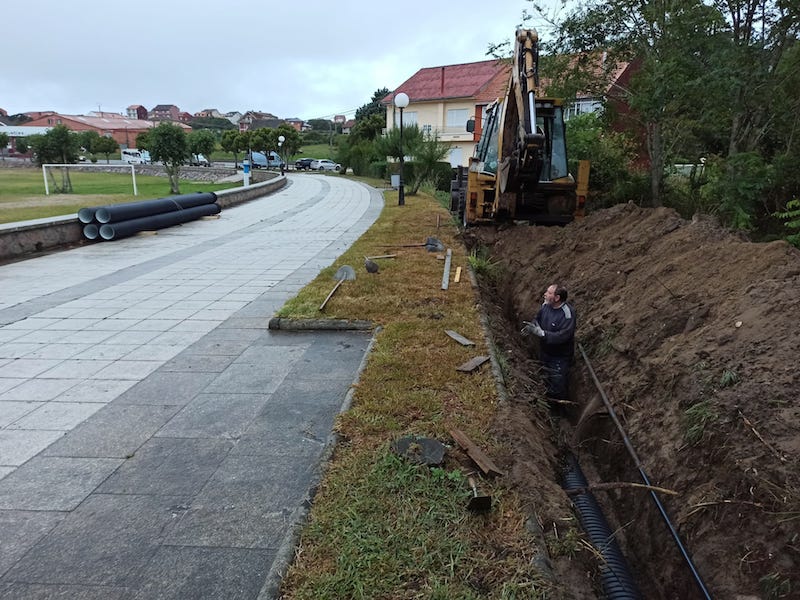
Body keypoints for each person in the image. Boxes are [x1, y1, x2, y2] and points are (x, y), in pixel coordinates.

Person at [521, 284, 576, 400]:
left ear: (557, 298)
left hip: (559, 358)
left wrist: (542, 333)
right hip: (545, 352)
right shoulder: (546, 306)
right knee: (545, 378)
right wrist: (532, 326)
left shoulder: (567, 314)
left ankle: (559, 409)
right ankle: (547, 401)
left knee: (557, 384)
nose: (545, 294)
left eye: (549, 293)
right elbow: (538, 318)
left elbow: (563, 336)